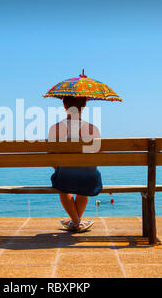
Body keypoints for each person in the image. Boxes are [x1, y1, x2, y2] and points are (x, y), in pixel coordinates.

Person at [48, 96, 102, 233]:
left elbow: (51, 159)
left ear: (65, 105)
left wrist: (60, 167)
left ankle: (75, 221)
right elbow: (98, 155)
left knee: (63, 182)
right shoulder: (92, 129)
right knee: (85, 177)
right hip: (89, 177)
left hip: (64, 177)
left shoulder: (55, 129)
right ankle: (76, 221)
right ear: (84, 105)